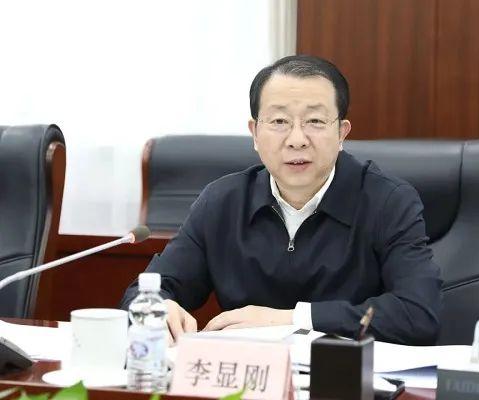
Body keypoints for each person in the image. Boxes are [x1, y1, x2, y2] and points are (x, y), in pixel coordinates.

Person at [120, 55, 442, 345]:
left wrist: (292, 319)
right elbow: (145, 292)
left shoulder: (387, 202)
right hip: (249, 380)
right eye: (279, 122)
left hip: (344, 380)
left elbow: (418, 314)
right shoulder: (222, 202)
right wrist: (159, 307)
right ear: (254, 133)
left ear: (342, 133)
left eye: (315, 121)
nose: (297, 139)